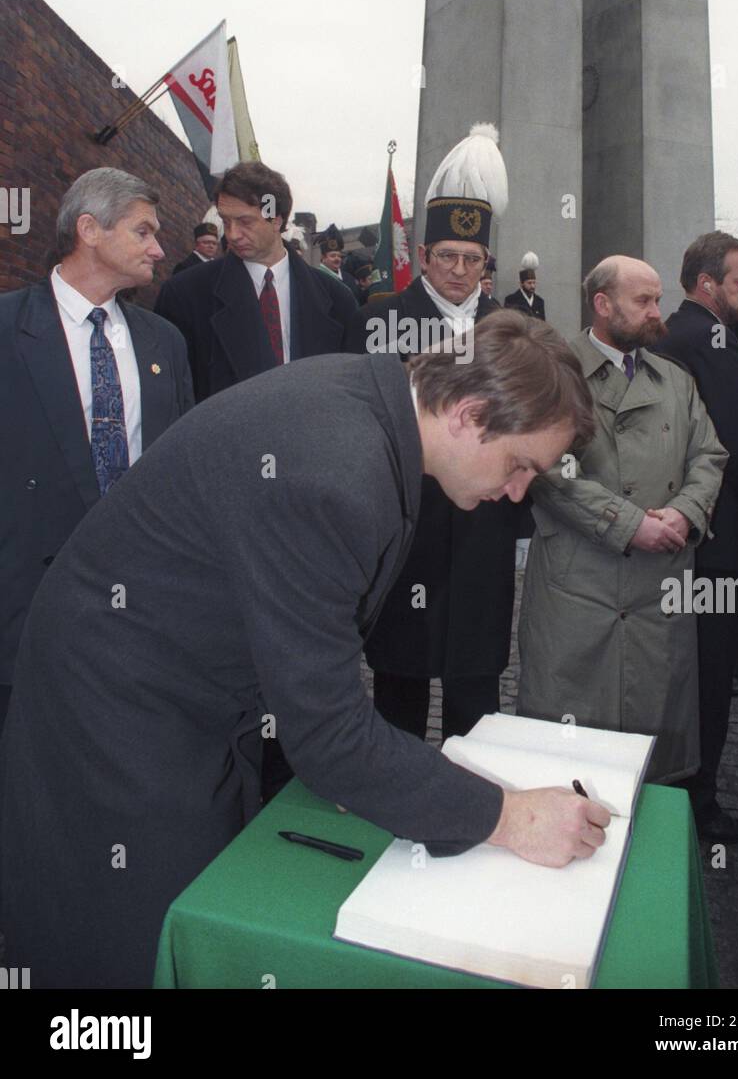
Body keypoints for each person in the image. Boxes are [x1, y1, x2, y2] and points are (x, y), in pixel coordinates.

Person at [0, 312, 607, 989]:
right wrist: (510, 816)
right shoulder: (337, 471)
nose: (519, 491)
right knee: (139, 930)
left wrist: (380, 774)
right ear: (468, 413)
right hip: (117, 699)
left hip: (182, 679)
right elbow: (326, 733)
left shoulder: (375, 411)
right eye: (521, 465)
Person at [517, 255, 727, 783]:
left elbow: (709, 454)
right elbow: (546, 468)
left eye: (658, 298)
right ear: (603, 304)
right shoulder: (552, 371)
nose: (658, 311)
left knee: (651, 748)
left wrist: (685, 512)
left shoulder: (674, 380)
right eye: (644, 301)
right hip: (579, 586)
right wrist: (629, 522)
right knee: (570, 756)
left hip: (659, 588)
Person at [0, 167, 193, 739]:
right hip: (24, 609)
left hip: (137, 612)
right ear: (89, 228)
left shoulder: (165, 341)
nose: (159, 249)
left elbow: (178, 471)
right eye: (143, 232)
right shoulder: (8, 328)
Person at [351, 123, 525, 742]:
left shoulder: (509, 328)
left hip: (485, 531)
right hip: (407, 525)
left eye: (472, 259)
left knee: (476, 698)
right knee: (399, 684)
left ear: (487, 263)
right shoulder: (382, 319)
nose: (458, 270)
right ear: (423, 257)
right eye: (447, 256)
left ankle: (474, 814)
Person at [653, 232, 738, 843]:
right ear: (708, 284)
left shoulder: (668, 335)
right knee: (713, 671)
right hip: (720, 536)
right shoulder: (714, 341)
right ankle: (699, 806)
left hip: (670, 529)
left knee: (680, 667)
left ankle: (671, 791)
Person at [154, 163, 357, 403]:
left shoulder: (338, 301)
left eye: (245, 222)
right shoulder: (185, 295)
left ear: (277, 220)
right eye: (226, 221)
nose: (232, 234)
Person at [316, 223, 357, 296]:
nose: (337, 259)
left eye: (339, 256)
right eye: (333, 256)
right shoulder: (316, 277)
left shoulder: (348, 278)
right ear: (323, 258)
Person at [504, 252, 546, 319]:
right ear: (521, 283)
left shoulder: (539, 301)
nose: (532, 286)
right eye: (529, 283)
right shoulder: (511, 300)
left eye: (534, 283)